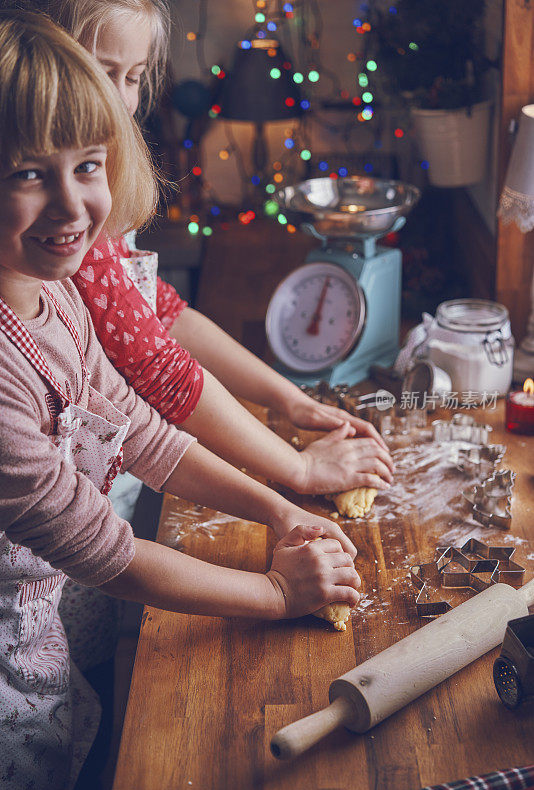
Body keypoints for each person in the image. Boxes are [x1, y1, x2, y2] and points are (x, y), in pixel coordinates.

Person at [0, 11, 361, 790]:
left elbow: (138, 430)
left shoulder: (52, 296)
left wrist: (278, 510)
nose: (70, 208)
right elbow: (105, 552)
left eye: (88, 165)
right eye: (29, 173)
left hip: (43, 623)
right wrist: (275, 593)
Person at [17, 0, 394, 516]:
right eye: (103, 72)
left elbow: (161, 312)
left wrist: (291, 400)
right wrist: (298, 469)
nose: (122, 101)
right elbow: (159, 369)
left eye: (134, 77)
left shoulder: (91, 192)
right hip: (78, 513)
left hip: (124, 481)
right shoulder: (61, 231)